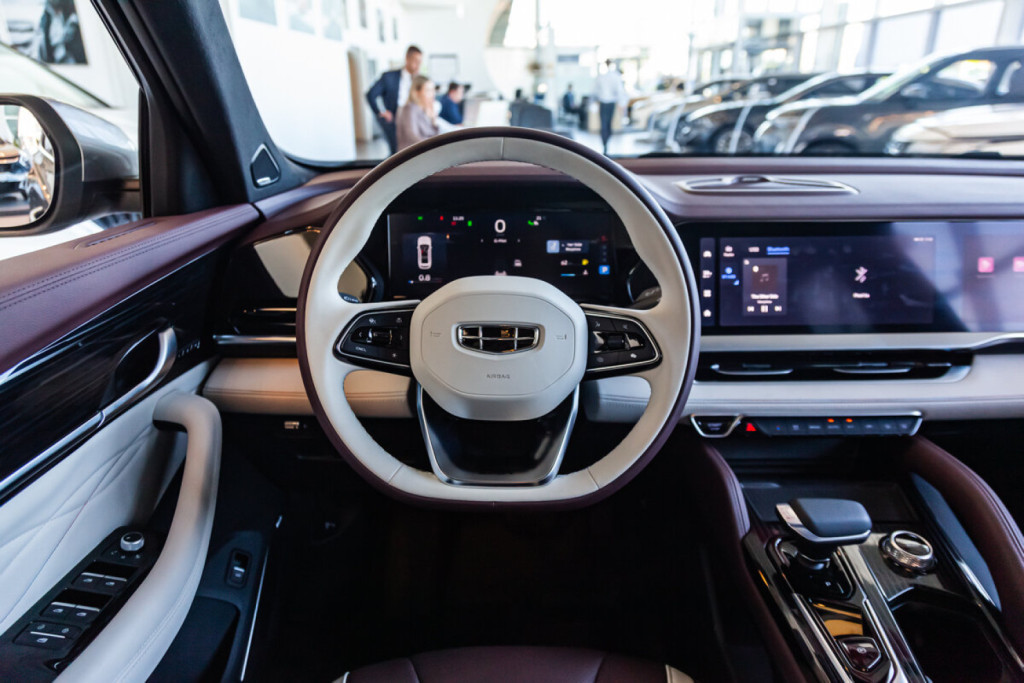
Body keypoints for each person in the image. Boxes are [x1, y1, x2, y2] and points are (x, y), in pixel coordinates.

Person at [365, 45, 423, 155]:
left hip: (413, 119)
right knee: (397, 152)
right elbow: (370, 94)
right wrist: (381, 112)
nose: (418, 65)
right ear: (407, 58)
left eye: (420, 62)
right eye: (416, 61)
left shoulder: (420, 80)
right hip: (394, 119)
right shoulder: (388, 77)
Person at [592, 59, 627, 155]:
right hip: (610, 103)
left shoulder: (601, 77)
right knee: (607, 125)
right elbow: (620, 91)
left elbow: (595, 91)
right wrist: (622, 104)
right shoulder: (614, 76)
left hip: (604, 103)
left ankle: (605, 144)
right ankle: (605, 144)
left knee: (604, 124)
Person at [396, 75, 441, 150]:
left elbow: (433, 135)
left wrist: (433, 120)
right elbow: (412, 136)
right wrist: (433, 146)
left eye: (433, 90)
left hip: (424, 150)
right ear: (417, 92)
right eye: (428, 90)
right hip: (412, 153)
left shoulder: (424, 110)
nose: (433, 94)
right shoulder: (409, 109)